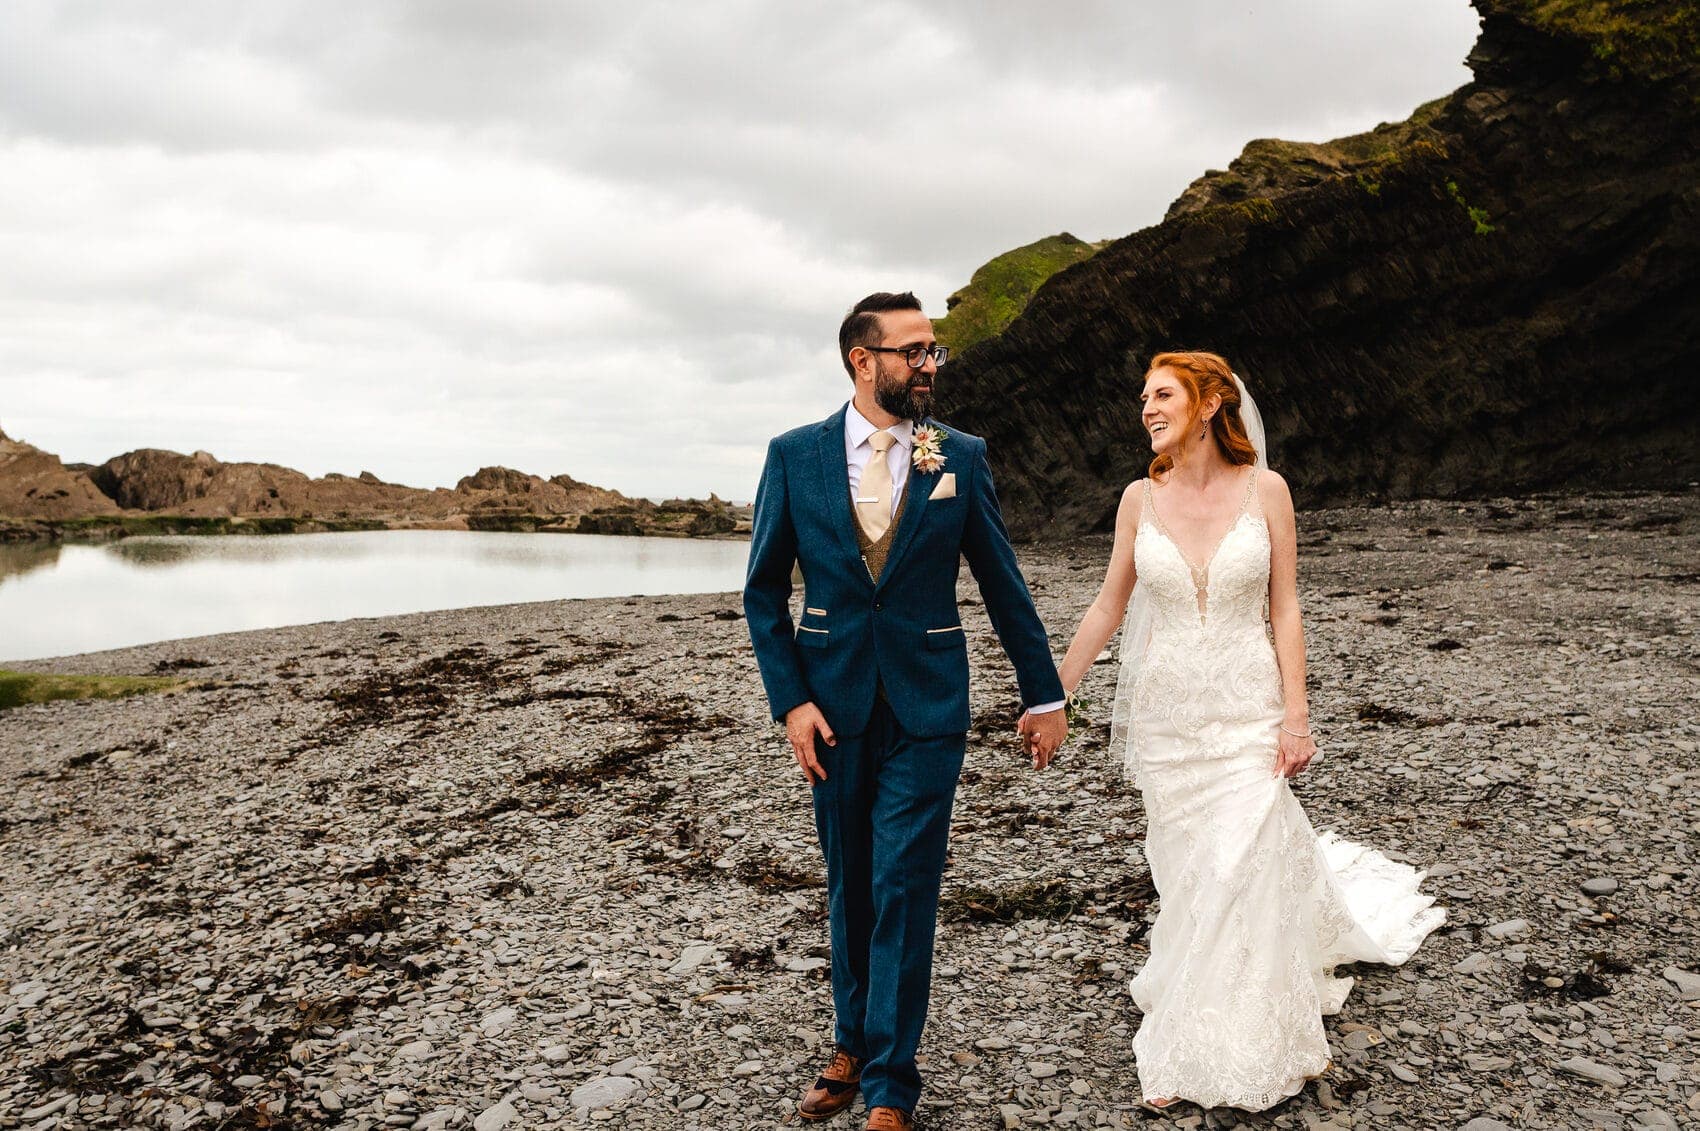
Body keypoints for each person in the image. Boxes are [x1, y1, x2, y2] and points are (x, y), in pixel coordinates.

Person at [1035, 350, 1445, 1111]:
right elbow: (1106, 608)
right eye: (1143, 399)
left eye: (1162, 395)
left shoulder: (1268, 491)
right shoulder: (1136, 499)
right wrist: (1050, 694)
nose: (1147, 410)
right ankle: (1199, 981)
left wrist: (1297, 713)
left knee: (1237, 863)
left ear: (1211, 401)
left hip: (1247, 705)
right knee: (1192, 868)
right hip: (1168, 718)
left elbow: (1284, 607)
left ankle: (1217, 1039)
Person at [743, 292, 1067, 1131]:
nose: (930, 364)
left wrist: (1043, 691)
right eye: (915, 350)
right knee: (851, 879)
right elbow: (763, 591)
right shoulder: (793, 456)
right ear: (863, 359)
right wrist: (792, 704)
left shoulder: (957, 453)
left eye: (935, 350)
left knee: (904, 883)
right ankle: (850, 1040)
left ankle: (890, 1081)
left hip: (928, 707)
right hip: (832, 709)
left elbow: (1001, 580)